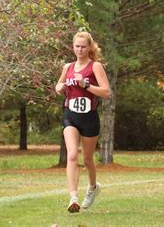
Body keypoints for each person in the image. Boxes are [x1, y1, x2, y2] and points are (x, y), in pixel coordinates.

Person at [55, 32, 110, 213]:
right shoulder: (67, 67)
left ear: (89, 48)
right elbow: (58, 86)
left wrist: (86, 85)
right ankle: (73, 197)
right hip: (70, 115)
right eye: (77, 46)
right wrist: (60, 87)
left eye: (83, 46)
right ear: (73, 46)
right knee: (72, 155)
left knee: (87, 160)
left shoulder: (95, 67)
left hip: (89, 117)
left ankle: (93, 187)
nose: (80, 49)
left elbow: (106, 92)